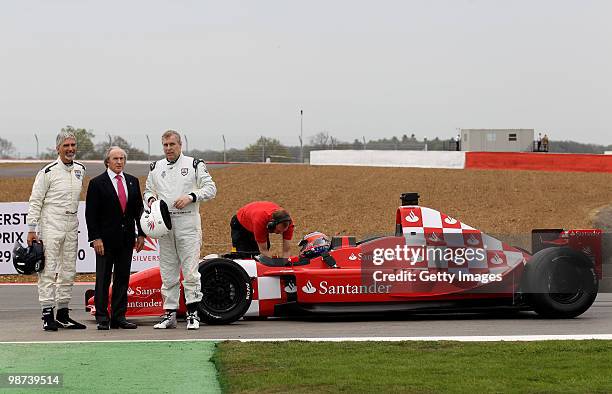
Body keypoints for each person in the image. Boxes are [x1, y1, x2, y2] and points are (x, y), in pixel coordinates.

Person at [143, 130, 217, 330]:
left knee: (191, 272)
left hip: (188, 224)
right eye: (165, 145)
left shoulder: (194, 164)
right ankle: (170, 314)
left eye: (172, 145)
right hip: (164, 226)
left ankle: (193, 314)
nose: (168, 148)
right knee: (168, 273)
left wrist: (191, 196)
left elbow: (211, 189)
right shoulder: (156, 167)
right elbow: (148, 190)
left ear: (180, 145)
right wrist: (151, 201)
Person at [27, 130, 87, 331]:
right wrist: (31, 228)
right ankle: (47, 314)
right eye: (66, 146)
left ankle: (62, 313)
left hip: (72, 223)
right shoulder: (47, 171)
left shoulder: (80, 169)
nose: (70, 149)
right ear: (58, 148)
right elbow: (36, 201)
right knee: (48, 269)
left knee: (69, 269)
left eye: (72, 145)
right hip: (51, 222)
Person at [85, 147, 145, 330]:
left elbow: (138, 211)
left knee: (122, 278)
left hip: (126, 239)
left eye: (122, 159)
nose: (119, 162)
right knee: (103, 279)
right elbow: (91, 214)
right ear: (107, 162)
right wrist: (96, 238)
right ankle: (103, 317)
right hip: (105, 241)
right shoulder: (97, 183)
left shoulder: (132, 182)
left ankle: (119, 316)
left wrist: (141, 234)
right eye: (115, 159)